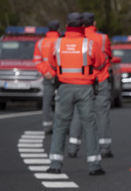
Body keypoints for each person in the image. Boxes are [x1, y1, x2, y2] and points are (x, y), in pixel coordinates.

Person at [45, 12, 107, 175]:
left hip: (64, 87)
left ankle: (55, 164)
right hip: (85, 88)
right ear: (83, 27)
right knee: (89, 125)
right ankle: (94, 166)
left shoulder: (58, 44)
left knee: (60, 125)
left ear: (67, 26)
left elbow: (52, 63)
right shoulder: (89, 44)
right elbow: (101, 63)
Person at [67, 12, 114, 158]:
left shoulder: (77, 39)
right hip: (100, 80)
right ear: (94, 23)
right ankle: (104, 147)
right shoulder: (102, 38)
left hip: (83, 80)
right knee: (102, 113)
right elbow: (107, 56)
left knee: (78, 112)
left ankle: (73, 147)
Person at [33, 20, 60, 134]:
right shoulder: (61, 42)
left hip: (47, 75)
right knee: (62, 101)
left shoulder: (40, 43)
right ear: (58, 29)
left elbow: (37, 60)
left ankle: (46, 126)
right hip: (60, 76)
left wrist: (45, 72)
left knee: (47, 101)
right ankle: (61, 126)